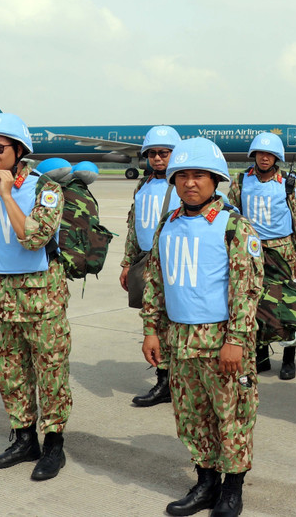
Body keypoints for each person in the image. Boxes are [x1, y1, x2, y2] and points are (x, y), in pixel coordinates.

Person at [140, 137, 263, 517]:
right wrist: (151, 330)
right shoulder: (168, 223)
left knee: (232, 416)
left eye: (198, 175)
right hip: (179, 340)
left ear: (215, 180)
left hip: (221, 340)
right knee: (192, 416)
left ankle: (232, 488)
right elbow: (155, 282)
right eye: (182, 176)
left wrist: (236, 341)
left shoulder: (234, 226)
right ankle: (206, 482)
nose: (189, 183)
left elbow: (247, 289)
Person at [0, 113, 72, 481]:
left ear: (19, 150)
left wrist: (8, 194)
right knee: (11, 374)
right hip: (3, 296)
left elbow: (34, 238)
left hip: (43, 298)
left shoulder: (45, 189)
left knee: (51, 374)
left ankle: (54, 446)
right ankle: (25, 439)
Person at [227, 132, 296, 380]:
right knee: (253, 300)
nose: (264, 158)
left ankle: (288, 359)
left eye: (270, 154)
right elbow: (232, 214)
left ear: (277, 158)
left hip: (283, 249)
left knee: (288, 304)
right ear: (254, 155)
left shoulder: (288, 183)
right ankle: (260, 357)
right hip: (252, 249)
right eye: (260, 153)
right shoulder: (241, 181)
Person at [120, 126, 184, 408]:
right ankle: (164, 380)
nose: (157, 158)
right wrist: (127, 262)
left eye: (164, 153)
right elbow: (134, 227)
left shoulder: (182, 185)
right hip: (146, 262)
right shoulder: (143, 185)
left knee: (175, 322)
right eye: (152, 153)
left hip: (173, 263)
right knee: (153, 321)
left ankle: (178, 380)